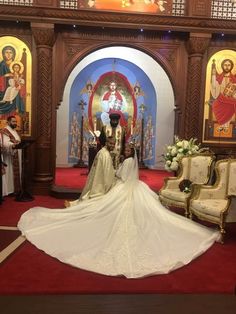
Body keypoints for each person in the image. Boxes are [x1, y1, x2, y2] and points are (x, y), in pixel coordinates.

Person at [18, 144, 220, 279]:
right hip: (136, 187)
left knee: (108, 207)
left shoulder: (126, 162)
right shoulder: (134, 163)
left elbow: (120, 175)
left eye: (127, 150)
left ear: (129, 153)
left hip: (124, 188)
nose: (124, 151)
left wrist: (115, 172)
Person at [65, 136, 116, 207]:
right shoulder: (106, 155)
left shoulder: (101, 151)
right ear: (106, 143)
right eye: (111, 143)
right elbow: (107, 174)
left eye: (114, 144)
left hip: (96, 179)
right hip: (100, 184)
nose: (112, 145)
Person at [0, 46, 25, 116]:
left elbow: (21, 79)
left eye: (10, 53)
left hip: (15, 87)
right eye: (6, 52)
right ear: (3, 54)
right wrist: (5, 76)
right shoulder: (1, 65)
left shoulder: (16, 65)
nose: (8, 54)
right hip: (2, 89)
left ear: (13, 54)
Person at [0, 115, 21, 196]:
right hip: (9, 156)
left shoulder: (14, 131)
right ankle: (9, 190)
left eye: (15, 121)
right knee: (9, 172)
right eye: (13, 121)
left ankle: (15, 189)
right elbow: (5, 143)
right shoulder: (5, 130)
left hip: (16, 154)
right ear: (8, 122)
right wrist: (12, 145)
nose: (15, 123)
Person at [211, 58, 236, 125]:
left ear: (232, 66)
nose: (227, 67)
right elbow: (214, 89)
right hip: (220, 99)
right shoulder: (219, 78)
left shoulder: (234, 79)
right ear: (222, 66)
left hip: (231, 100)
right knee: (214, 105)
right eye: (225, 65)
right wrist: (213, 77)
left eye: (229, 65)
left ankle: (229, 126)